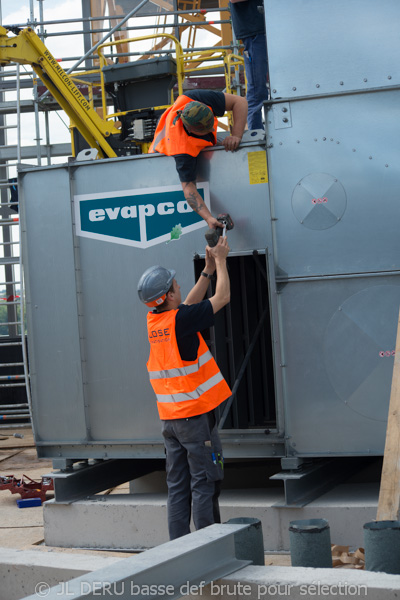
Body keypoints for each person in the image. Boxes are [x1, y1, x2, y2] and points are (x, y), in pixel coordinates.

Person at [137, 236, 231, 540]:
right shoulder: (181, 320)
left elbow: (187, 306)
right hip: (194, 419)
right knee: (203, 482)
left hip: (170, 421)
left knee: (178, 486)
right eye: (175, 284)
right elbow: (222, 298)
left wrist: (206, 270)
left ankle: (178, 550)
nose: (179, 287)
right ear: (168, 295)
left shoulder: (156, 321)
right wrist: (222, 262)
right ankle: (209, 548)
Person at [149, 90, 247, 230]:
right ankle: (221, 217)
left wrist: (236, 136)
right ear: (190, 128)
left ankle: (233, 215)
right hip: (164, 156)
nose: (212, 128)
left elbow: (241, 102)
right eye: (205, 129)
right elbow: (188, 188)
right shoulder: (182, 149)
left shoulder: (195, 98)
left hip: (196, 144)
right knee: (203, 186)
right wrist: (208, 218)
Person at [230, 0, 268, 130]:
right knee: (257, 90)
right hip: (255, 33)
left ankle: (257, 131)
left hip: (263, 30)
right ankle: (256, 133)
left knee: (258, 89)